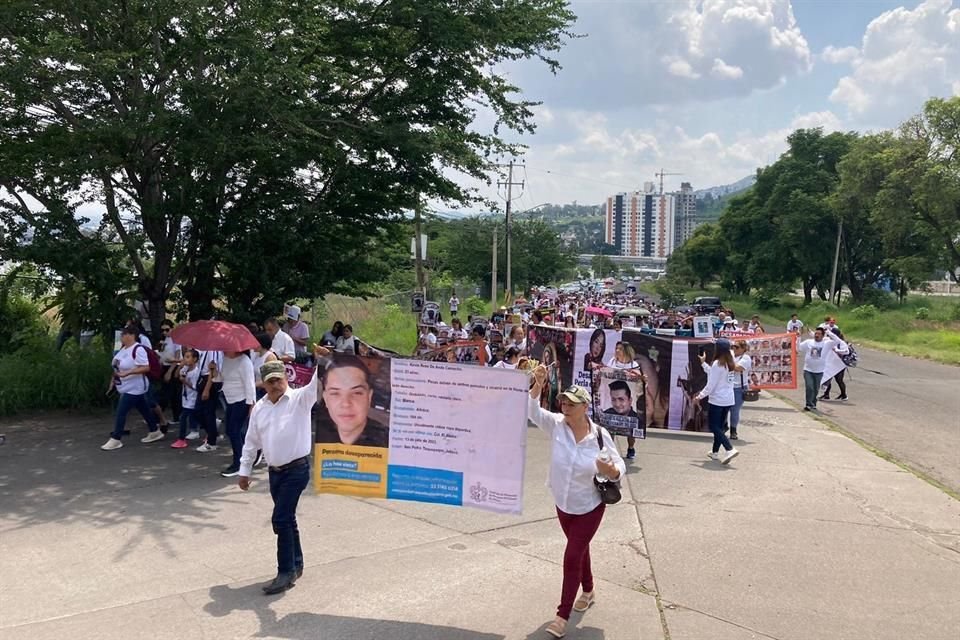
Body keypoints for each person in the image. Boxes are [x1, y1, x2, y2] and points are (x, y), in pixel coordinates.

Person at [526, 377, 625, 639]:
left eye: (571, 403)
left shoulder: (599, 436)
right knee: (580, 549)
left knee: (571, 556)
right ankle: (589, 590)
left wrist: (611, 471)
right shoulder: (557, 426)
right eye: (563, 402)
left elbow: (619, 467)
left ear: (585, 407)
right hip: (563, 503)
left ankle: (562, 616)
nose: (565, 407)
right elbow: (532, 411)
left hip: (589, 505)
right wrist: (536, 389)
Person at [238, 347, 331, 595]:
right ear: (264, 385)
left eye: (278, 380)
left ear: (286, 377)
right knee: (287, 519)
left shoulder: (300, 399)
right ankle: (297, 563)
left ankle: (285, 571)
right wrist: (244, 471)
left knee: (280, 519)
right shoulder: (260, 408)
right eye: (270, 382)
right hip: (274, 473)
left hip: (297, 470)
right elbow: (251, 441)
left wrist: (323, 360)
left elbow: (317, 383)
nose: (275, 385)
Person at [101, 326, 163, 450]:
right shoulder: (123, 349)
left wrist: (128, 373)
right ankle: (154, 430)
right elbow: (116, 366)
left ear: (131, 335)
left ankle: (116, 438)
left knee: (121, 411)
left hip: (135, 387)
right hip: (124, 385)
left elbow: (145, 367)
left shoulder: (138, 349)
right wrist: (113, 380)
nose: (121, 337)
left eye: (123, 335)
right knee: (143, 408)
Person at [314, 356, 389, 447]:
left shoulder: (388, 442)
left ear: (369, 397)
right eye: (335, 393)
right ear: (325, 399)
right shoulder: (314, 436)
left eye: (356, 393)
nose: (346, 403)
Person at [696, 339, 739, 464]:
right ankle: (715, 452)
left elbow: (711, 385)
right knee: (719, 427)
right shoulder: (730, 362)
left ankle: (729, 448)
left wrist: (699, 396)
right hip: (728, 399)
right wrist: (703, 363)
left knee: (714, 426)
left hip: (717, 400)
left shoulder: (717, 364)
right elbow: (713, 374)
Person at [219, 350, 257, 477]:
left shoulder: (244, 361)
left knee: (234, 431)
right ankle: (247, 456)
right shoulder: (225, 359)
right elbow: (220, 378)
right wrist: (213, 370)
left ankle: (239, 464)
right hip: (230, 399)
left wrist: (251, 404)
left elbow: (250, 384)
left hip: (241, 400)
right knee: (231, 431)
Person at [606, 341, 645, 459]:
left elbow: (640, 385)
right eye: (616, 348)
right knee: (609, 426)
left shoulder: (634, 365)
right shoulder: (612, 362)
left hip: (628, 400)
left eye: (620, 349)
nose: (617, 351)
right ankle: (610, 450)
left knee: (630, 427)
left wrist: (642, 379)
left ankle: (631, 448)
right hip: (613, 399)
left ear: (627, 351)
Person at [798, 328, 837, 411]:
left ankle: (813, 403)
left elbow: (837, 341)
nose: (817, 335)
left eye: (819, 334)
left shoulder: (827, 344)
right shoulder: (809, 342)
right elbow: (798, 348)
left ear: (823, 336)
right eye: (816, 333)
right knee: (809, 387)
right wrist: (798, 337)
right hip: (808, 369)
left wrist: (829, 333)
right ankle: (808, 404)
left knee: (816, 389)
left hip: (819, 371)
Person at [171, 349, 201, 449]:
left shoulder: (196, 372)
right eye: (185, 357)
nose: (186, 359)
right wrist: (180, 367)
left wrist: (184, 381)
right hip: (186, 398)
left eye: (188, 357)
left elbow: (195, 387)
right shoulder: (185, 368)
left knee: (183, 417)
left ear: (195, 359)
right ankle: (213, 430)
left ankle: (181, 438)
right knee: (199, 417)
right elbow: (176, 375)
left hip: (193, 398)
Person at [194, 350, 223, 452]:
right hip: (203, 378)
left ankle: (212, 442)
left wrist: (207, 389)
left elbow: (213, 371)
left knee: (207, 412)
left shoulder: (213, 351)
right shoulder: (205, 349)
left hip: (209, 381)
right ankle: (213, 433)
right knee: (199, 411)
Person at [157, 320, 182, 427]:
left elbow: (177, 356)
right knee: (167, 392)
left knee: (171, 393)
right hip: (165, 365)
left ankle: (175, 416)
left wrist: (170, 371)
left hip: (173, 366)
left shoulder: (176, 339)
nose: (165, 332)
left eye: (167, 329)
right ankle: (174, 416)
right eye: (163, 330)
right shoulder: (165, 339)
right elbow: (162, 354)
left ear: (172, 328)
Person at [729, 340, 753, 440]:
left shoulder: (746, 358)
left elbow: (738, 368)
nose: (734, 348)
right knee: (724, 409)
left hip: (739, 388)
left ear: (743, 349)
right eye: (733, 346)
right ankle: (723, 427)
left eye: (737, 347)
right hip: (728, 386)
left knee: (734, 410)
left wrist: (726, 362)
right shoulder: (732, 356)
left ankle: (733, 430)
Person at [821, 329, 850, 401]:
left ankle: (844, 395)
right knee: (828, 378)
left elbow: (846, 352)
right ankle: (826, 395)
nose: (829, 336)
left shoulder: (841, 342)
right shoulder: (829, 341)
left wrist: (837, 351)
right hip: (830, 364)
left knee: (839, 380)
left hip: (839, 365)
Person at [252, 332, 279, 400]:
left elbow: (272, 378)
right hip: (257, 389)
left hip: (266, 391)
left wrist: (254, 384)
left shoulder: (270, 357)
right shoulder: (257, 355)